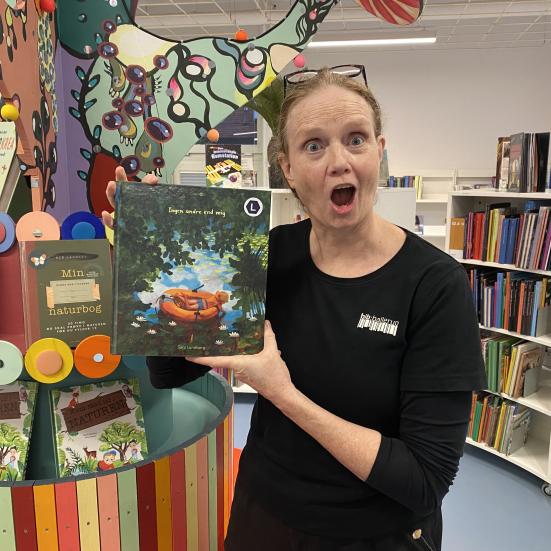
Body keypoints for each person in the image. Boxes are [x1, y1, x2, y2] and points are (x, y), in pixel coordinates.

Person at [103, 66, 485, 551]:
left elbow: (424, 480)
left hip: (374, 536)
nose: (339, 161)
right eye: (314, 145)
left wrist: (282, 393)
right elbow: (170, 370)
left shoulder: (434, 285)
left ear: (379, 151)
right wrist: (144, 261)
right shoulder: (270, 253)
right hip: (264, 519)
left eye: (356, 139)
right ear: (287, 169)